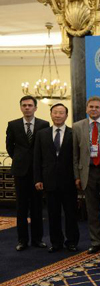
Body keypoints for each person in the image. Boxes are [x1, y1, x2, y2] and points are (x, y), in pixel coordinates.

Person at [33, 103, 79, 253]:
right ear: (51, 114)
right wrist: (38, 179)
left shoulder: (74, 133)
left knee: (71, 214)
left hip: (69, 180)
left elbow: (77, 158)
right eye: (55, 113)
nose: (58, 115)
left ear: (66, 115)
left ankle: (71, 241)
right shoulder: (42, 134)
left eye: (61, 113)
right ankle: (56, 242)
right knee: (52, 214)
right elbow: (37, 159)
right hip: (49, 181)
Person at [6, 95, 49, 251]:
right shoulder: (13, 125)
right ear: (21, 107)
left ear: (35, 108)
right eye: (24, 105)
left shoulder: (44, 124)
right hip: (20, 172)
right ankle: (22, 240)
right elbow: (10, 147)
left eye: (30, 105)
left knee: (37, 207)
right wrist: (20, 160)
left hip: (38, 173)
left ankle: (37, 239)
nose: (27, 107)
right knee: (21, 208)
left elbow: (45, 148)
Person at [72, 96, 100, 254]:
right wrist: (77, 175)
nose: (94, 109)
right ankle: (96, 241)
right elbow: (74, 155)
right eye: (91, 106)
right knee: (92, 209)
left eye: (97, 107)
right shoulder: (77, 127)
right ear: (86, 109)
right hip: (87, 172)